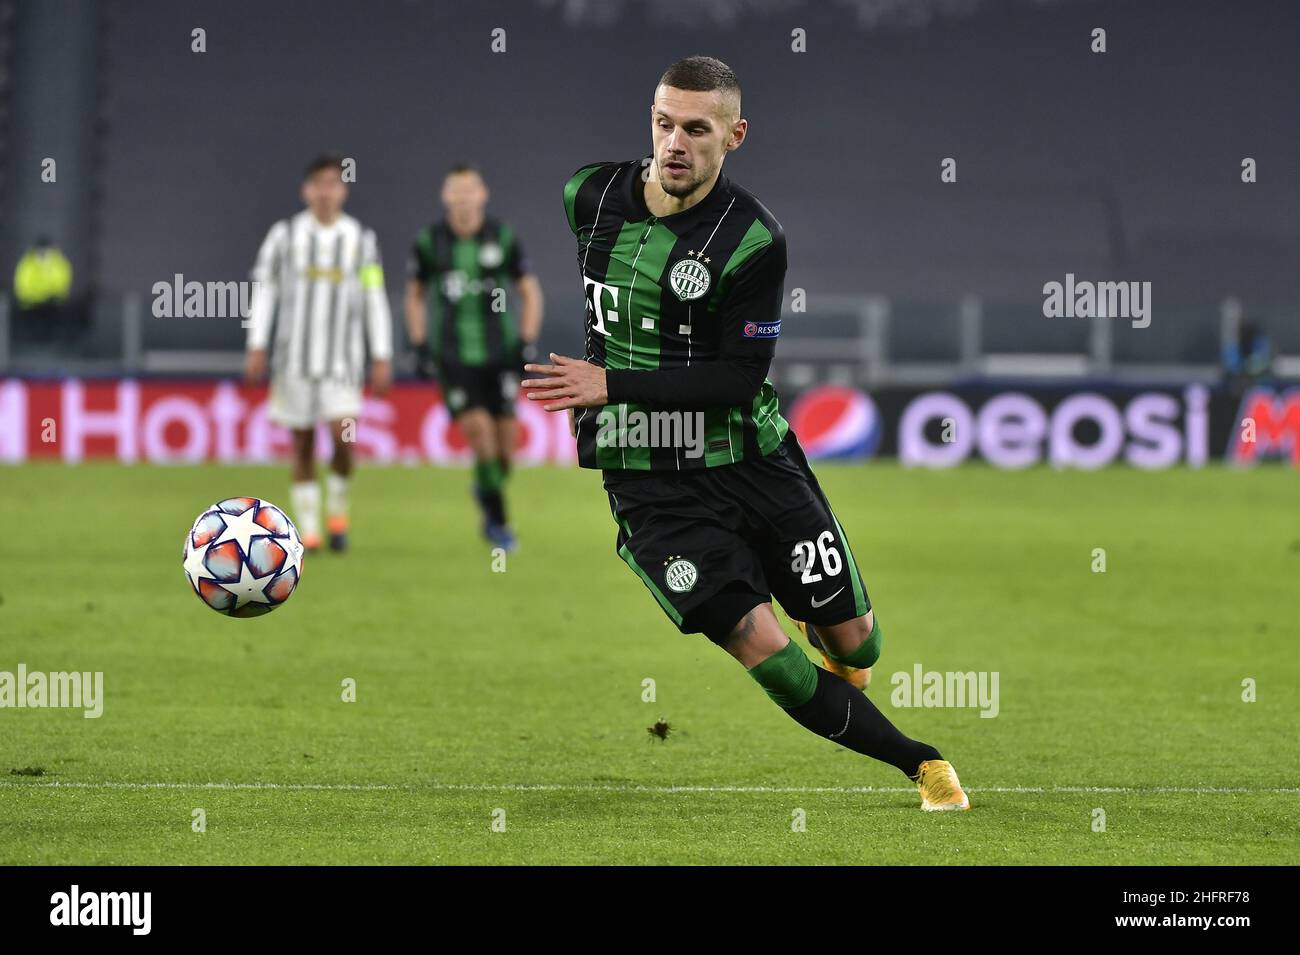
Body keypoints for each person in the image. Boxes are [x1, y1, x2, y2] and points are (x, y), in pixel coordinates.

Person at [524, 56, 969, 811]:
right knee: (762, 647)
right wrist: (616, 395)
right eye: (664, 123)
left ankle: (819, 620)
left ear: (734, 135)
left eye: (696, 129)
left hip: (752, 458)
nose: (674, 143)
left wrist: (610, 382)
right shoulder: (588, 195)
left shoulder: (754, 239)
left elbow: (735, 378)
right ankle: (922, 763)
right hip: (650, 484)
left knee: (859, 644)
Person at [244, 154, 393, 553]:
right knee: (303, 445)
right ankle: (309, 532)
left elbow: (373, 296)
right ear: (306, 190)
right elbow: (266, 290)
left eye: (333, 184)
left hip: (342, 363)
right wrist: (256, 343)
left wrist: (381, 352)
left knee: (343, 439)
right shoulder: (284, 235)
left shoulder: (360, 239)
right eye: (319, 184)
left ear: (343, 190)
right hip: (293, 360)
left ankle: (338, 512)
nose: (326, 192)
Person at [405, 164, 544, 551]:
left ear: (482, 195)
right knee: (481, 434)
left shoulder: (502, 238)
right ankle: (499, 525)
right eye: (456, 191)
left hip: (499, 357)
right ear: (445, 197)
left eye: (470, 190)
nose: (464, 198)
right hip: (453, 359)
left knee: (504, 451)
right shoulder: (431, 242)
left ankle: (484, 489)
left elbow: (530, 292)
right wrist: (418, 344)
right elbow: (414, 294)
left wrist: (526, 342)